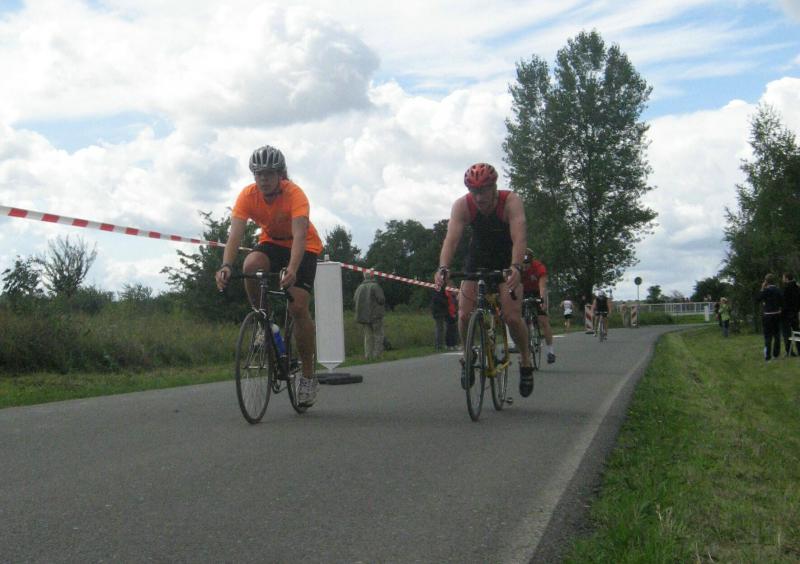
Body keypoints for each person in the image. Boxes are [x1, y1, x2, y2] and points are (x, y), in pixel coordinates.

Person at [216, 145, 322, 407]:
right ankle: (264, 321)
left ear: (280, 174)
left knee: (297, 307)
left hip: (304, 247)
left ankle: (308, 375)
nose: (263, 179)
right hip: (272, 242)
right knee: (251, 263)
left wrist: (293, 269)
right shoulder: (247, 195)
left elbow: (300, 235)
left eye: (269, 174)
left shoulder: (295, 194)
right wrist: (226, 265)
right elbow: (235, 235)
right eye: (258, 174)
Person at [434, 162, 534, 397]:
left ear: (494, 187)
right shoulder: (462, 205)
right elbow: (451, 240)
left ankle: (526, 360)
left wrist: (516, 267)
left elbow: (519, 237)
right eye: (474, 191)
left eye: (484, 191)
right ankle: (468, 355)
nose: (479, 197)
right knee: (463, 314)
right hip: (477, 258)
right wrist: (443, 268)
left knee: (511, 316)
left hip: (507, 259)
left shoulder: (511, 201)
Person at [521, 249, 555, 364]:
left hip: (537, 291)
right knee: (520, 319)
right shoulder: (517, 268)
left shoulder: (538, 267)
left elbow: (542, 286)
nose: (525, 267)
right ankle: (525, 348)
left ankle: (550, 351)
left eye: (527, 264)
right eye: (523, 264)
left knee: (543, 320)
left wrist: (542, 300)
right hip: (523, 292)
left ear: (531, 262)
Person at [354, 271, 386, 360]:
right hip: (375, 315)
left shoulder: (359, 287)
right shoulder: (375, 286)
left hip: (363, 316)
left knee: (367, 337)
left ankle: (368, 355)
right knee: (378, 335)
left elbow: (355, 299)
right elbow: (381, 299)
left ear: (364, 277)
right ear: (372, 276)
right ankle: (377, 355)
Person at [758, 273, 783, 362]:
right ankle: (776, 355)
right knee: (777, 335)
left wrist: (762, 288)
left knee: (768, 336)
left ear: (766, 281)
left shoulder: (766, 290)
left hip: (768, 315)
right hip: (777, 314)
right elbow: (782, 301)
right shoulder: (778, 290)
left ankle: (768, 357)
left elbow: (758, 299)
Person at [781, 272, 799, 356]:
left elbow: (784, 302)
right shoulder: (797, 287)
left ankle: (789, 351)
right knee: (797, 332)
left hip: (787, 314)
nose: (782, 279)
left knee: (787, 333)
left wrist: (782, 311)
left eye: (783, 277)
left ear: (787, 278)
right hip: (795, 313)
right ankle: (799, 349)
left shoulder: (786, 288)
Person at [431, 284, 450, 351]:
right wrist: (446, 302)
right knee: (439, 329)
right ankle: (438, 345)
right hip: (438, 312)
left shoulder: (437, 291)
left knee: (440, 328)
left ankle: (439, 345)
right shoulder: (437, 292)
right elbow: (440, 300)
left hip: (439, 312)